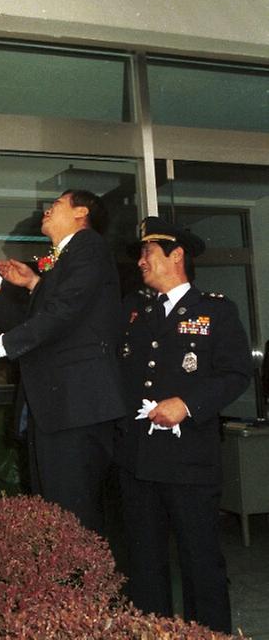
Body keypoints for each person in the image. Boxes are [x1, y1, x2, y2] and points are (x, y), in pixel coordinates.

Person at [0, 189, 125, 531]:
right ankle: (67, 585)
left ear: (81, 213)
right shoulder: (65, 260)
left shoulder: (87, 245)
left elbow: (65, 311)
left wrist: (1, 345)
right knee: (58, 512)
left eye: (58, 203)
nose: (48, 210)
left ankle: (82, 586)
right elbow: (34, 325)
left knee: (74, 517)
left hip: (77, 407)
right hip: (58, 410)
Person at [117, 216, 253, 634]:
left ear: (176, 256)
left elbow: (236, 374)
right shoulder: (134, 311)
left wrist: (188, 404)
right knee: (143, 564)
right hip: (138, 461)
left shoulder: (216, 310)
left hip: (190, 461)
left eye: (147, 253)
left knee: (200, 561)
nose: (141, 261)